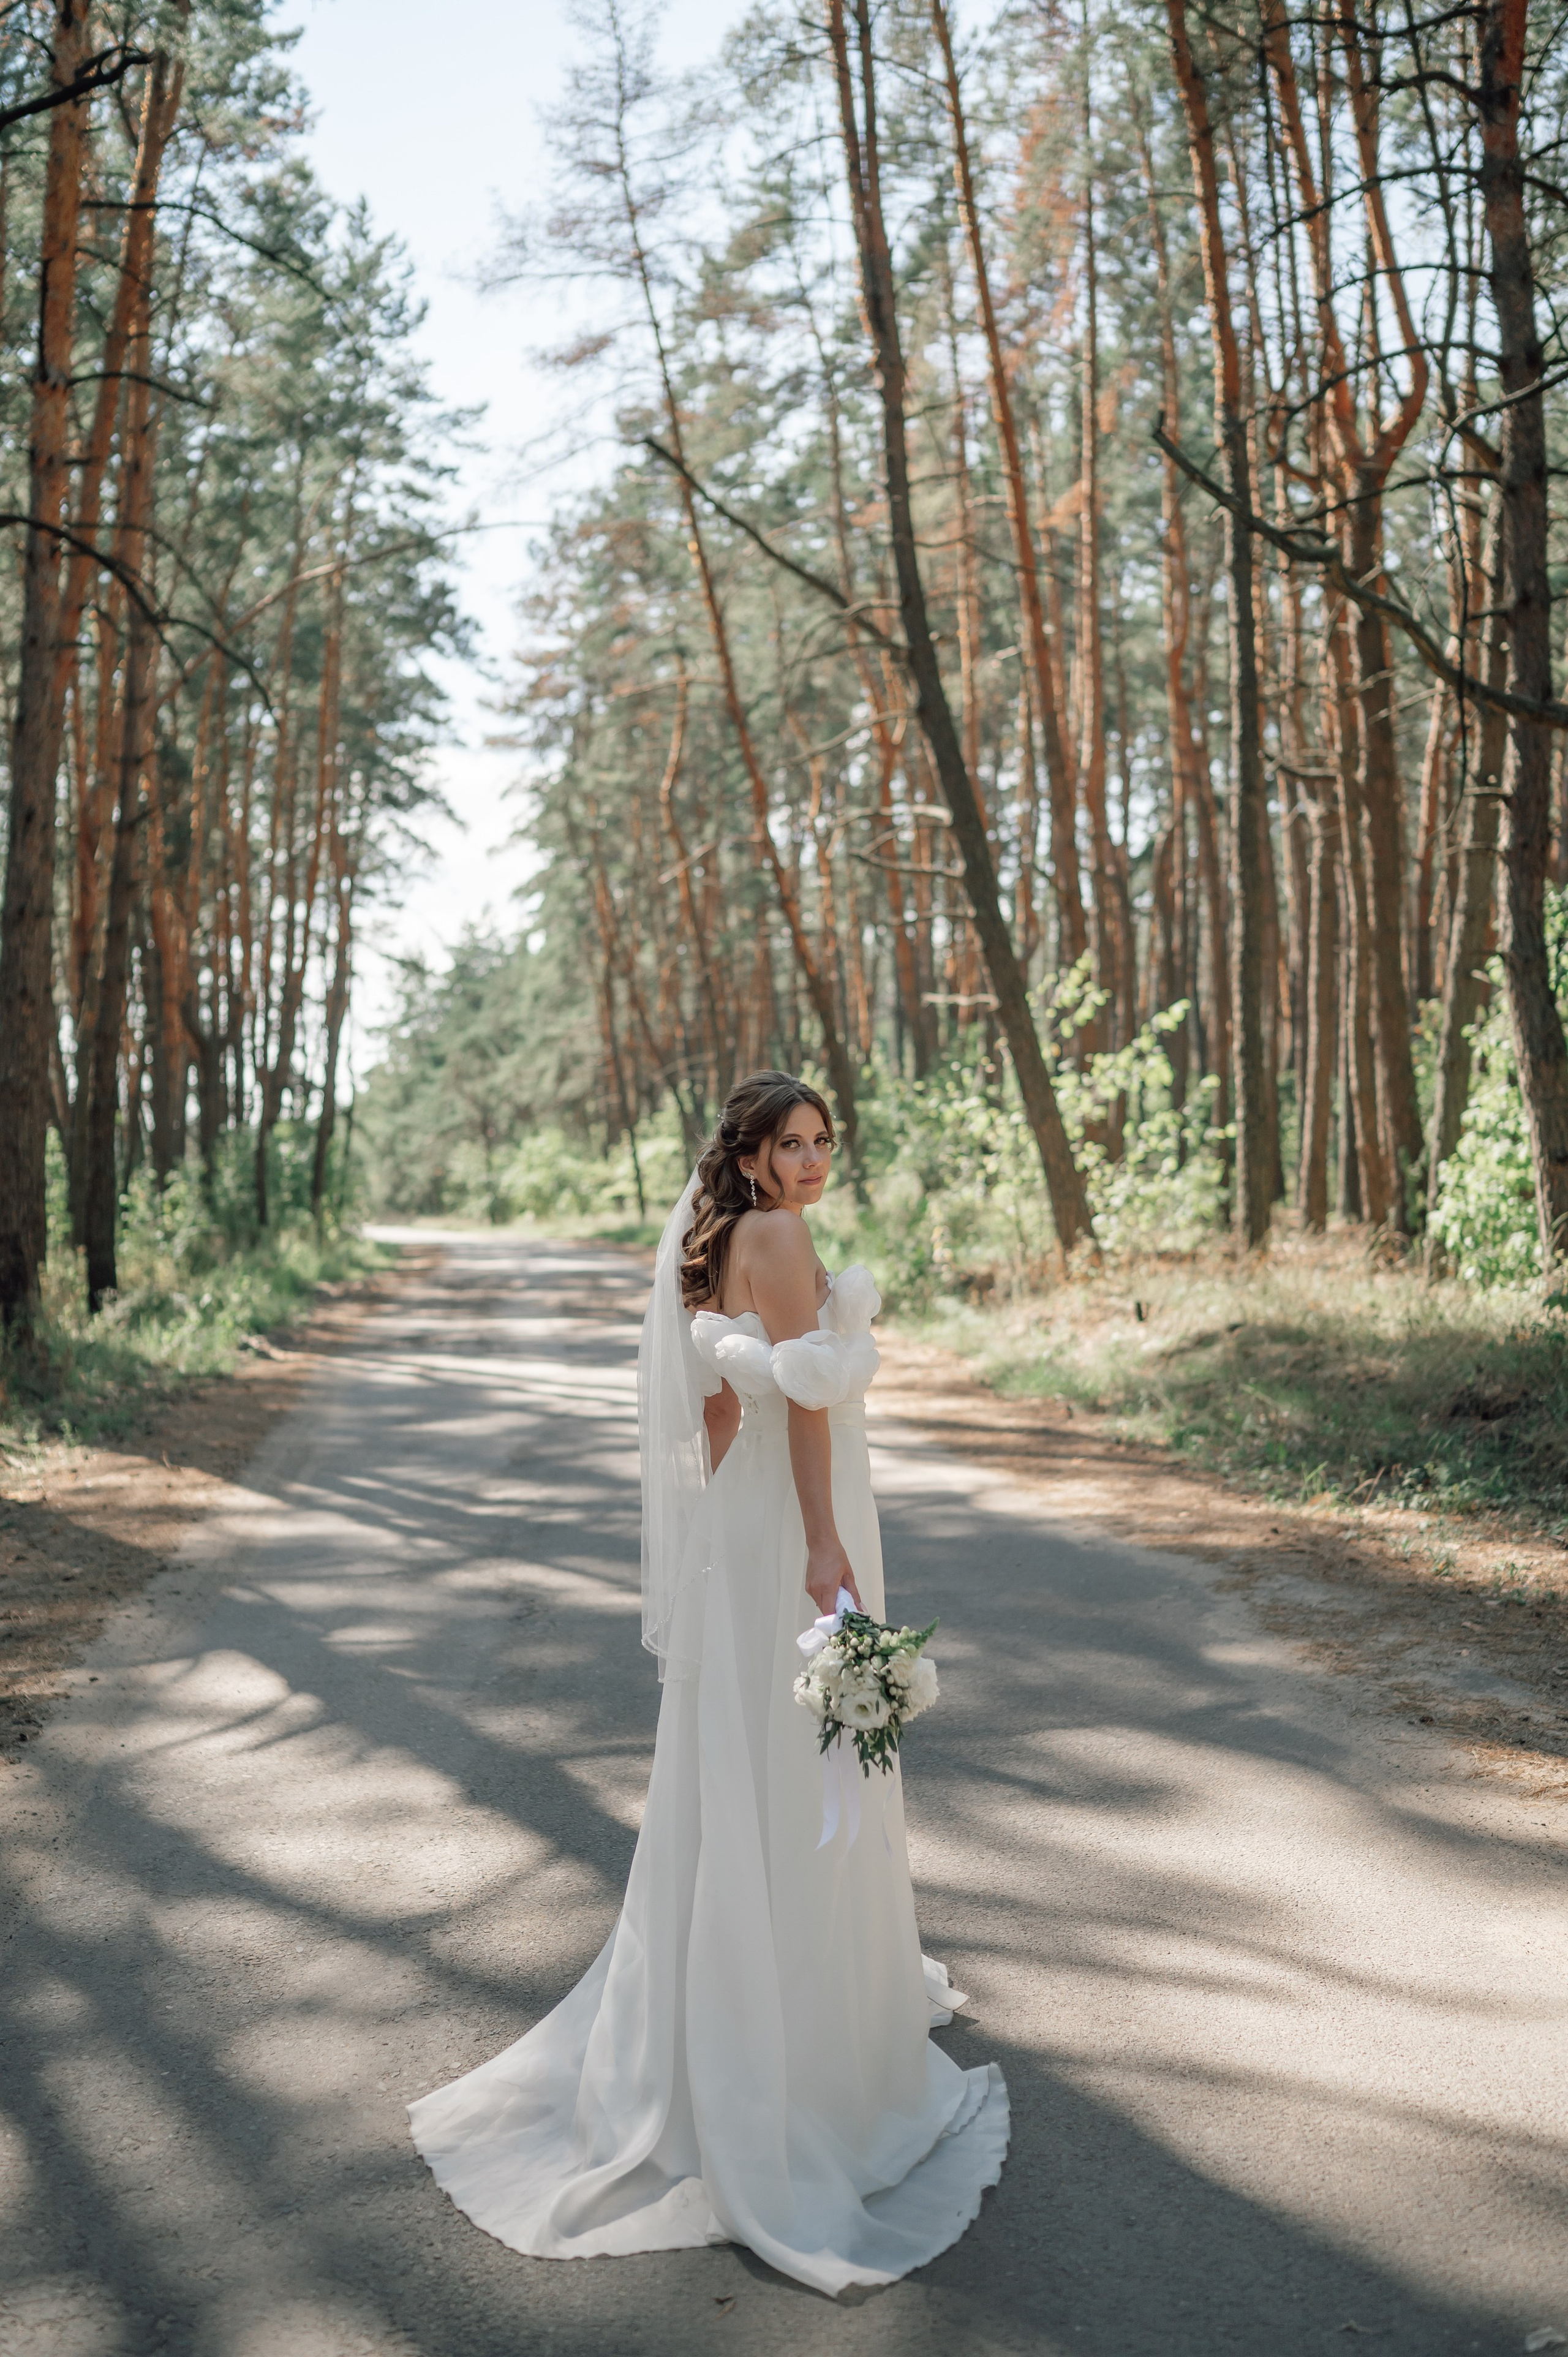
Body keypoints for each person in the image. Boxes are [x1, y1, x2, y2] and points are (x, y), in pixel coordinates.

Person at [408, 1071, 1008, 2294]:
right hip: (799, 1519)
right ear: (747, 1155)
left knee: (756, 1754)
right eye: (789, 1142)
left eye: (822, 1139)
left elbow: (724, 1410)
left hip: (748, 1530)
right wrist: (821, 1544)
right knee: (800, 1762)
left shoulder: (728, 1243)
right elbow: (792, 1407)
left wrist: (719, 1542)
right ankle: (795, 2030)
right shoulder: (777, 1237)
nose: (810, 1160)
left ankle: (735, 2002)